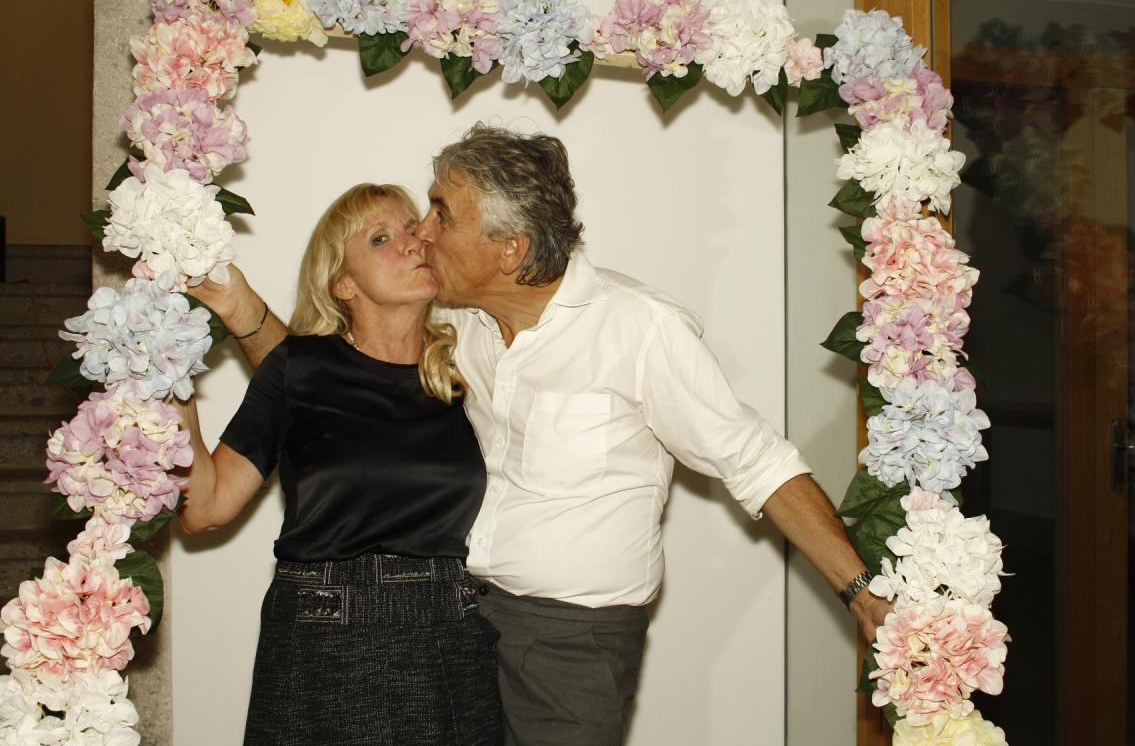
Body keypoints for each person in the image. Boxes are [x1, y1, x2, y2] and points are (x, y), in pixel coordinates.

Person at [194, 126, 891, 746]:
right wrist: (243, 311)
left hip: (570, 642)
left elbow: (758, 462)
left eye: (440, 214)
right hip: (460, 624)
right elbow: (331, 382)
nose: (422, 233)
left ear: (509, 249)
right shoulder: (456, 326)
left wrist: (860, 590)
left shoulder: (638, 328)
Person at [178, 184, 501, 746]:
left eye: (412, 229)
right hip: (322, 633)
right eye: (381, 238)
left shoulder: (470, 365)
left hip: (448, 638)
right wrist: (169, 381)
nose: (413, 243)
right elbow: (205, 508)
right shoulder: (296, 367)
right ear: (343, 284)